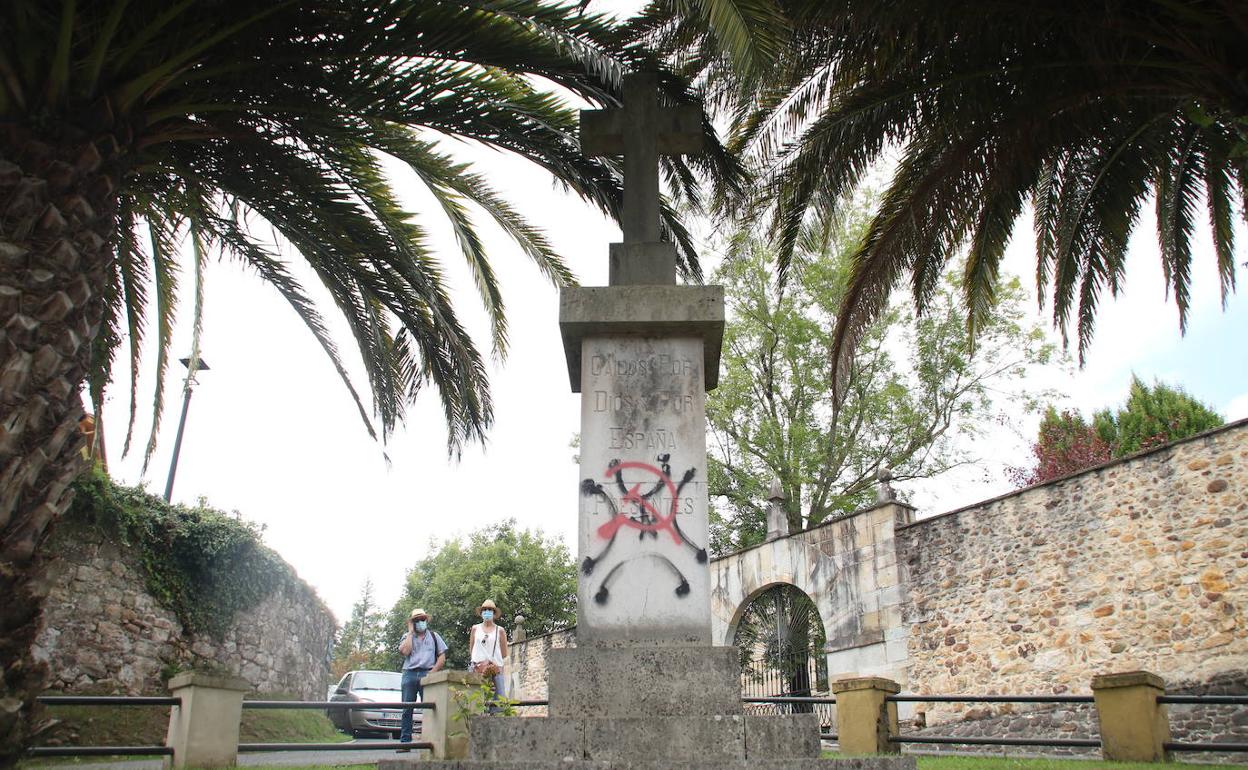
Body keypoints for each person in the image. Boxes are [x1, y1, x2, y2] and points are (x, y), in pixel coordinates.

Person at [396, 607, 446, 749]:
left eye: (422, 619)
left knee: (430, 709)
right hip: (409, 673)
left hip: (427, 673)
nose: (420, 622)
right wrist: (411, 632)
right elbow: (405, 651)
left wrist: (433, 672)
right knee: (407, 709)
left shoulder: (435, 636)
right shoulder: (407, 636)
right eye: (417, 620)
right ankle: (405, 743)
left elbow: (442, 657)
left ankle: (431, 742)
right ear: (412, 622)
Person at [467, 599, 508, 708]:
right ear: (481, 613)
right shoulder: (475, 628)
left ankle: (495, 718)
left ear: (494, 614)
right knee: (475, 697)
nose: (487, 612)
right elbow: (472, 648)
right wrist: (480, 661)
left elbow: (504, 653)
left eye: (490, 610)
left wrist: (492, 662)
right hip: (478, 666)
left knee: (500, 697)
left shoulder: (500, 630)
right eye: (484, 610)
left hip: (495, 667)